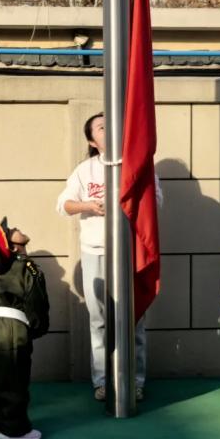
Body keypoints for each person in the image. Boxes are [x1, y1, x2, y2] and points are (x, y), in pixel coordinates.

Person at [56, 112, 162, 402]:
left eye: (113, 125)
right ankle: (102, 381)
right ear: (92, 141)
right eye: (102, 128)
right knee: (99, 319)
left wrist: (130, 204)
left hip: (131, 252)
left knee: (134, 317)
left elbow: (157, 200)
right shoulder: (85, 170)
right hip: (96, 252)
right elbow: (63, 205)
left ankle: (135, 380)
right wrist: (88, 205)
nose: (110, 130)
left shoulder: (139, 165)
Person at [0, 218, 50, 439]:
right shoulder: (28, 268)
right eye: (10, 232)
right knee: (15, 380)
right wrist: (37, 328)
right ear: (13, 247)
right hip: (12, 329)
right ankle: (13, 430)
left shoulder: (3, 268)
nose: (16, 228)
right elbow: (37, 304)